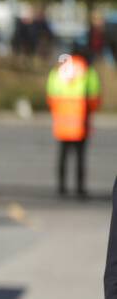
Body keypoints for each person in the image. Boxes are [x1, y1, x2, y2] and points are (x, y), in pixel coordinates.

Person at [47, 45, 101, 198]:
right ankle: (79, 188)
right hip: (80, 120)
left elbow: (51, 96)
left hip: (62, 120)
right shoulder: (88, 72)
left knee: (63, 154)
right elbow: (94, 98)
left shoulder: (59, 70)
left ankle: (61, 187)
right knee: (80, 156)